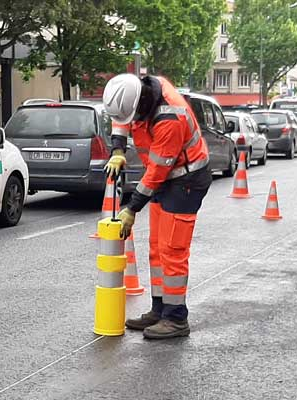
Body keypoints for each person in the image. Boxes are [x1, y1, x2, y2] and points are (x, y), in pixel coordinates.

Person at [102, 73, 212, 340]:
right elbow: (120, 119)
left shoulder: (168, 119)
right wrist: (118, 150)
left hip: (185, 180)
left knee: (172, 249)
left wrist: (131, 209)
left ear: (141, 105)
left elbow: (156, 173)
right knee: (157, 247)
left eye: (134, 116)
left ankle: (176, 319)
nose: (132, 122)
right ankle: (160, 309)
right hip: (167, 177)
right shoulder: (135, 93)